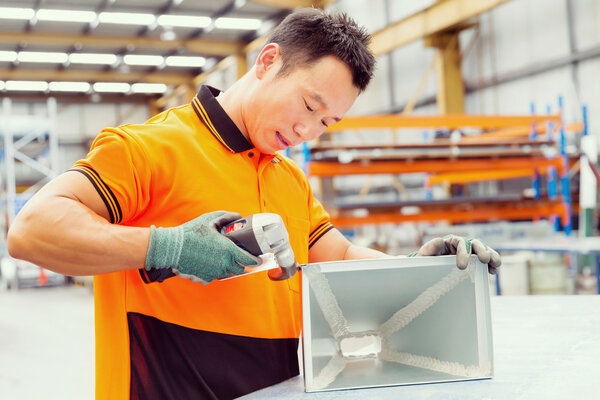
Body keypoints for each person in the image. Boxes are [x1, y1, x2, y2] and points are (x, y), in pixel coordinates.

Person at [7, 8, 501, 400]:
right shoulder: (148, 148)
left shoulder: (290, 180)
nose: (308, 131)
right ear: (267, 62)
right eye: (309, 105)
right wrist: (169, 246)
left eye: (327, 123)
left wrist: (418, 268)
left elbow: (343, 259)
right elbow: (33, 230)